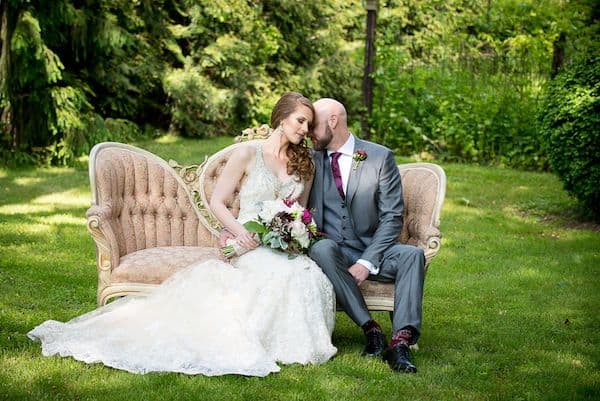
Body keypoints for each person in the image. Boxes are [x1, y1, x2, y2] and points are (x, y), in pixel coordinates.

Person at [27, 92, 337, 376]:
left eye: (308, 124)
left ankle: (288, 344)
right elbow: (217, 201)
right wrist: (240, 234)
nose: (304, 129)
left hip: (280, 244)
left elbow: (300, 212)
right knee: (280, 275)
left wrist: (295, 233)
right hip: (247, 242)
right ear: (281, 117)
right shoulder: (247, 154)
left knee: (306, 273)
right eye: (300, 120)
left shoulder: (302, 163)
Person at [307, 98, 425, 373]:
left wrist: (367, 261)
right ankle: (370, 329)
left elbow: (392, 216)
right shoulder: (311, 159)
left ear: (333, 121)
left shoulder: (379, 157)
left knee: (413, 255)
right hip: (333, 252)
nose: (310, 131)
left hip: (374, 249)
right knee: (322, 248)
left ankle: (400, 344)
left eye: (313, 124)